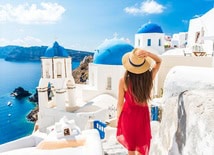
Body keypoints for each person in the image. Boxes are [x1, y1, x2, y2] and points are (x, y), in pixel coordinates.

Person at [116, 48, 162, 155]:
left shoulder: (123, 81)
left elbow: (120, 104)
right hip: (142, 116)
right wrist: (149, 54)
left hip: (128, 116)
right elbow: (159, 61)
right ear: (144, 64)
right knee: (142, 146)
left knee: (131, 148)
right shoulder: (148, 78)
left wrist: (119, 119)